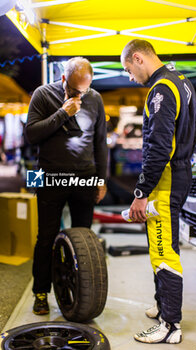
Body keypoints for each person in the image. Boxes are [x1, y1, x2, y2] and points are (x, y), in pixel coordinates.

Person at [121, 39, 196, 344]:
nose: (129, 77)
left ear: (139, 58)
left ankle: (171, 325)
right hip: (178, 173)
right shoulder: (181, 80)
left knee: (164, 251)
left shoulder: (161, 90)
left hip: (167, 178)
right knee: (159, 242)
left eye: (128, 69)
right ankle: (163, 305)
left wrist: (141, 193)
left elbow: (159, 147)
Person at [26, 57, 108, 315]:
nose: (80, 95)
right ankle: (41, 293)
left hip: (85, 176)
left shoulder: (95, 98)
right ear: (63, 79)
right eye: (74, 90)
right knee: (45, 237)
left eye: (84, 90)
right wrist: (63, 113)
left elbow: (101, 142)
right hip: (49, 175)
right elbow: (31, 135)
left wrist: (102, 179)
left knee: (85, 239)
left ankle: (78, 293)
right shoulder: (42, 94)